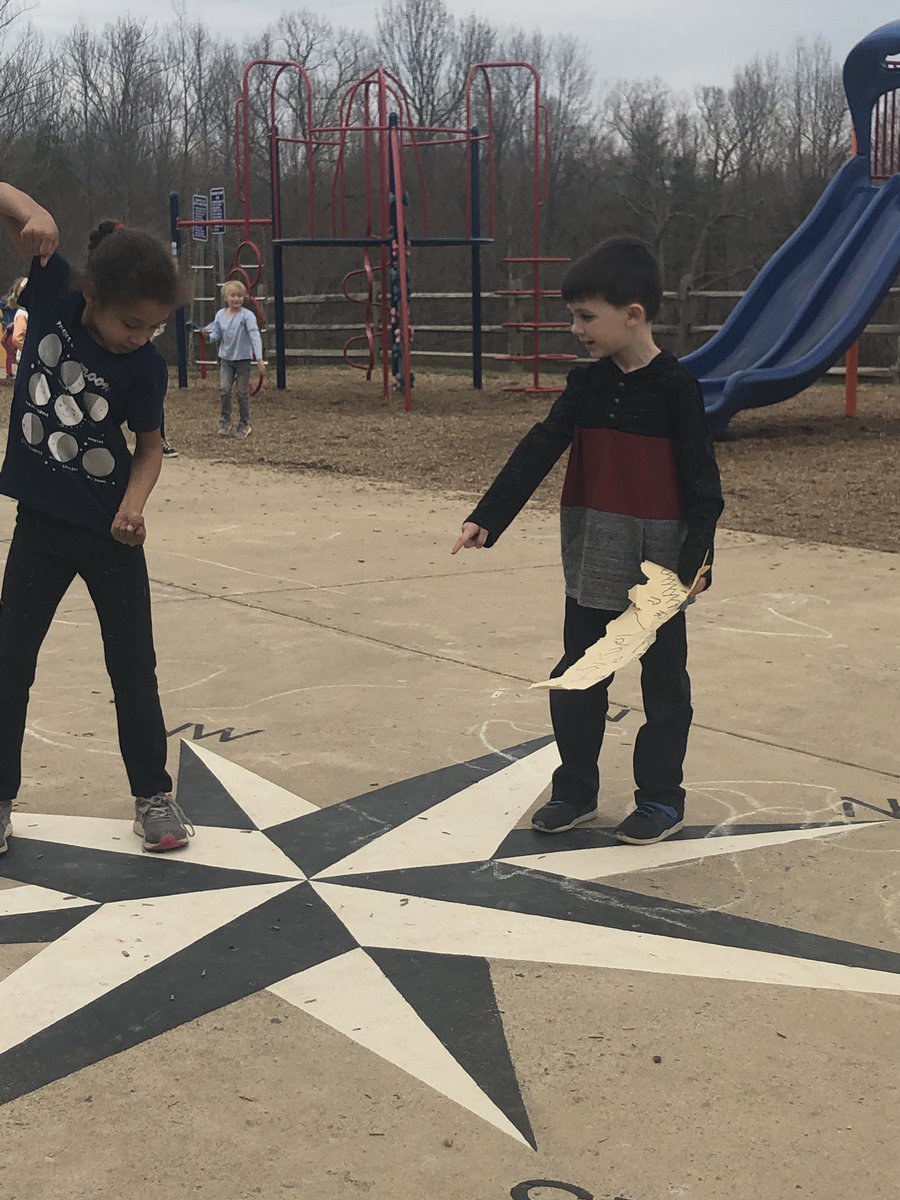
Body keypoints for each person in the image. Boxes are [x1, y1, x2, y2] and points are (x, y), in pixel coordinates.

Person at [451, 237, 724, 846]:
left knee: (662, 685)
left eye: (586, 317)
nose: (575, 329)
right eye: (572, 316)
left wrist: (698, 560)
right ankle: (575, 791)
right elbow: (541, 446)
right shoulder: (587, 386)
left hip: (659, 575)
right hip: (593, 559)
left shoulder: (677, 388)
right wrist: (488, 516)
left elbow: (705, 486)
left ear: (633, 315)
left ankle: (660, 799)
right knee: (578, 678)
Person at [0, 195, 193, 856]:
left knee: (134, 666)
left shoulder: (144, 366)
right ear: (94, 295)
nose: (140, 337)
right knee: (8, 663)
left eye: (154, 328)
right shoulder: (53, 293)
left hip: (109, 533)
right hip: (40, 527)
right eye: (131, 323)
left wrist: (134, 505)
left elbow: (147, 448)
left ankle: (153, 795)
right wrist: (31, 208)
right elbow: (16, 214)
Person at [201, 279, 264, 439]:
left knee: (242, 393)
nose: (236, 299)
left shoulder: (247, 316)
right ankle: (225, 421)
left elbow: (254, 335)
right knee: (224, 389)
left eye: (239, 296)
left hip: (243, 360)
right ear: (226, 298)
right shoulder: (220, 315)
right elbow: (216, 334)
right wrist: (208, 336)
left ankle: (244, 423)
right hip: (226, 359)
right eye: (233, 296)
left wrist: (259, 359)